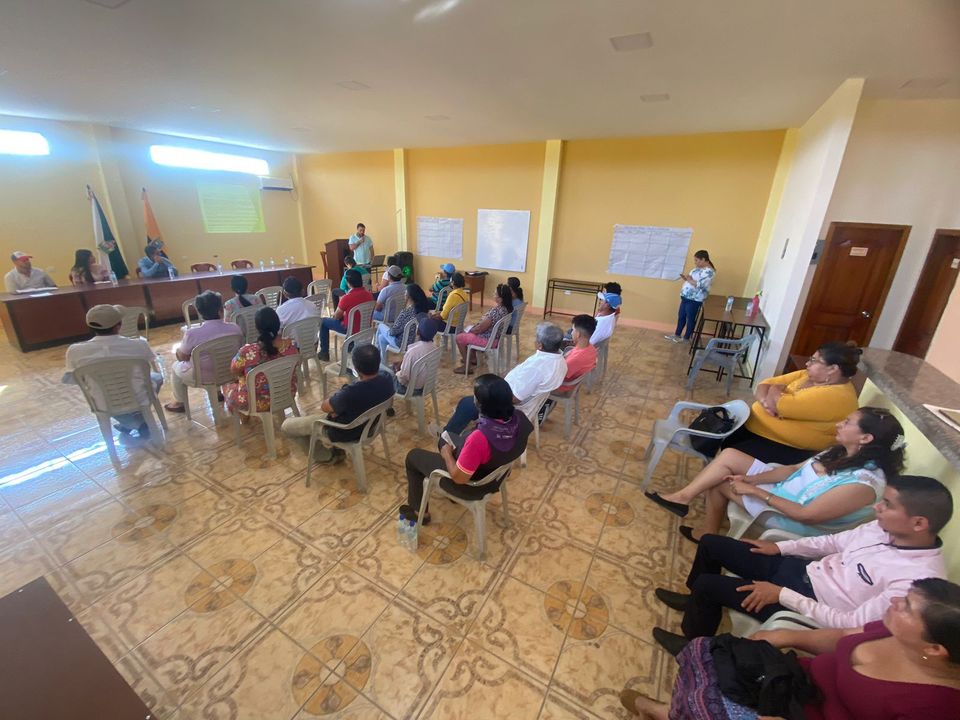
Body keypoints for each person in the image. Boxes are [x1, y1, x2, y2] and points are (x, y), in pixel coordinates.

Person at [649, 475, 951, 657]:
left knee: (709, 585)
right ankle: (694, 601)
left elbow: (849, 625)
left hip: (808, 605)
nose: (877, 508)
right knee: (712, 543)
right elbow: (831, 542)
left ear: (919, 523)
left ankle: (692, 646)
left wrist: (781, 595)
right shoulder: (883, 528)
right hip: (801, 571)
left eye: (887, 505)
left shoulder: (915, 585)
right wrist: (780, 547)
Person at [620, 578, 960, 720]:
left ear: (935, 648)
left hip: (796, 714)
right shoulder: (892, 629)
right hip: (788, 680)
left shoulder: (934, 707)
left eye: (907, 607)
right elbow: (842, 636)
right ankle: (674, 709)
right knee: (708, 651)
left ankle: (663, 711)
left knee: (711, 708)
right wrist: (786, 636)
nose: (896, 601)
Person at [646, 407, 906, 540]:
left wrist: (754, 490)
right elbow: (793, 470)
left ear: (866, 438)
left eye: (847, 423)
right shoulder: (841, 451)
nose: (840, 424)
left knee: (721, 482)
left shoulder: (863, 484)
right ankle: (685, 499)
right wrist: (751, 479)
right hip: (784, 490)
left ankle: (708, 531)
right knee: (730, 457)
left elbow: (806, 515)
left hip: (788, 516)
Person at [400, 374, 534, 525]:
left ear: (481, 405)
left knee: (414, 456)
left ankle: (419, 513)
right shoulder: (520, 418)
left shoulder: (479, 438)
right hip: (497, 477)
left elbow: (459, 478)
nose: (473, 399)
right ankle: (451, 490)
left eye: (476, 397)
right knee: (449, 437)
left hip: (472, 487)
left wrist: (447, 454)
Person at [719, 342, 862, 465]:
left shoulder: (836, 395)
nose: (807, 364)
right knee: (721, 442)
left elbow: (778, 404)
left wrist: (775, 389)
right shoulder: (807, 375)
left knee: (726, 459)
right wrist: (765, 401)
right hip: (761, 432)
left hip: (788, 449)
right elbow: (764, 384)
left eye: (814, 360)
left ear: (833, 369)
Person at [441, 323, 568, 435]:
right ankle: (470, 423)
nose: (534, 341)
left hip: (514, 409)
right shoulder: (560, 361)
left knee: (467, 404)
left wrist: (490, 394)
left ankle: (447, 436)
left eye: (536, 339)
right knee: (472, 400)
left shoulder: (537, 369)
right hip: (524, 401)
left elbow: (515, 399)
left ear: (540, 345)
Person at [281, 344, 394, 464]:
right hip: (371, 426)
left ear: (356, 368)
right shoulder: (387, 378)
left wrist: (336, 409)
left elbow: (325, 407)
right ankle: (331, 448)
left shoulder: (351, 392)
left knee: (286, 426)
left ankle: (326, 456)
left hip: (344, 431)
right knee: (326, 416)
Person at [64, 304, 162, 439]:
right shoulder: (138, 344)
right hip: (139, 397)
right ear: (119, 325)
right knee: (157, 378)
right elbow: (149, 363)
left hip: (103, 402)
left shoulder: (74, 351)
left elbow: (75, 379)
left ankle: (133, 423)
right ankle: (137, 421)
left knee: (102, 393)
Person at [164, 291, 243, 413]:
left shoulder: (192, 334)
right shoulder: (235, 328)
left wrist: (179, 351)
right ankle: (218, 392)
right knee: (217, 360)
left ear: (200, 312)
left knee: (175, 367)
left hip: (204, 377)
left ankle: (179, 402)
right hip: (230, 372)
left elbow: (183, 357)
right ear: (221, 310)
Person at [223, 306, 298, 415]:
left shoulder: (247, 352)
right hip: (286, 393)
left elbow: (234, 370)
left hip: (256, 402)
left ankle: (244, 419)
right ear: (278, 324)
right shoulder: (291, 346)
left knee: (228, 387)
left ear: (257, 328)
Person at [539, 314, 598, 424]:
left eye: (573, 330)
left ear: (578, 334)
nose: (571, 333)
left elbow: (556, 376)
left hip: (561, 386)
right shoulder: (591, 349)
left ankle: (538, 411)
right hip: (570, 380)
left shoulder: (576, 359)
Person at [453, 283, 513, 374]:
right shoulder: (506, 309)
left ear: (500, 299)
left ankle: (466, 367)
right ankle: (473, 359)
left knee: (459, 337)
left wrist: (470, 330)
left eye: (495, 294)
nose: (493, 295)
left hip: (488, 340)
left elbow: (479, 329)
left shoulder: (496, 312)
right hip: (495, 338)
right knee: (467, 333)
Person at [319, 268, 374, 361]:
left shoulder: (346, 298)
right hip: (365, 327)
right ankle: (351, 343)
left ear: (348, 283)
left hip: (349, 329)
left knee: (323, 322)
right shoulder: (369, 295)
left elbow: (336, 316)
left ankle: (324, 353)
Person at [665, 249, 715, 343]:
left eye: (697, 260)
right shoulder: (697, 269)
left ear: (703, 259)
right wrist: (687, 278)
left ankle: (686, 338)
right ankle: (677, 334)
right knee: (681, 316)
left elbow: (701, 285)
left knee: (690, 318)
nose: (695, 262)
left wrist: (689, 280)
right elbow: (692, 279)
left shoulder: (709, 272)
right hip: (686, 297)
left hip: (695, 299)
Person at [376, 283, 430, 358]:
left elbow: (393, 332)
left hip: (401, 343)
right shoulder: (423, 311)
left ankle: (375, 354)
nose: (404, 295)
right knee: (381, 337)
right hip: (414, 341)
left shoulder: (406, 312)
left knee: (380, 326)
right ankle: (382, 361)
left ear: (408, 297)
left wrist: (389, 327)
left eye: (405, 293)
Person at [395, 318, 440, 395]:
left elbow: (403, 379)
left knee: (387, 374)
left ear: (418, 332)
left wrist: (397, 372)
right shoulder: (436, 349)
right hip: (426, 386)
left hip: (410, 390)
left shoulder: (413, 352)